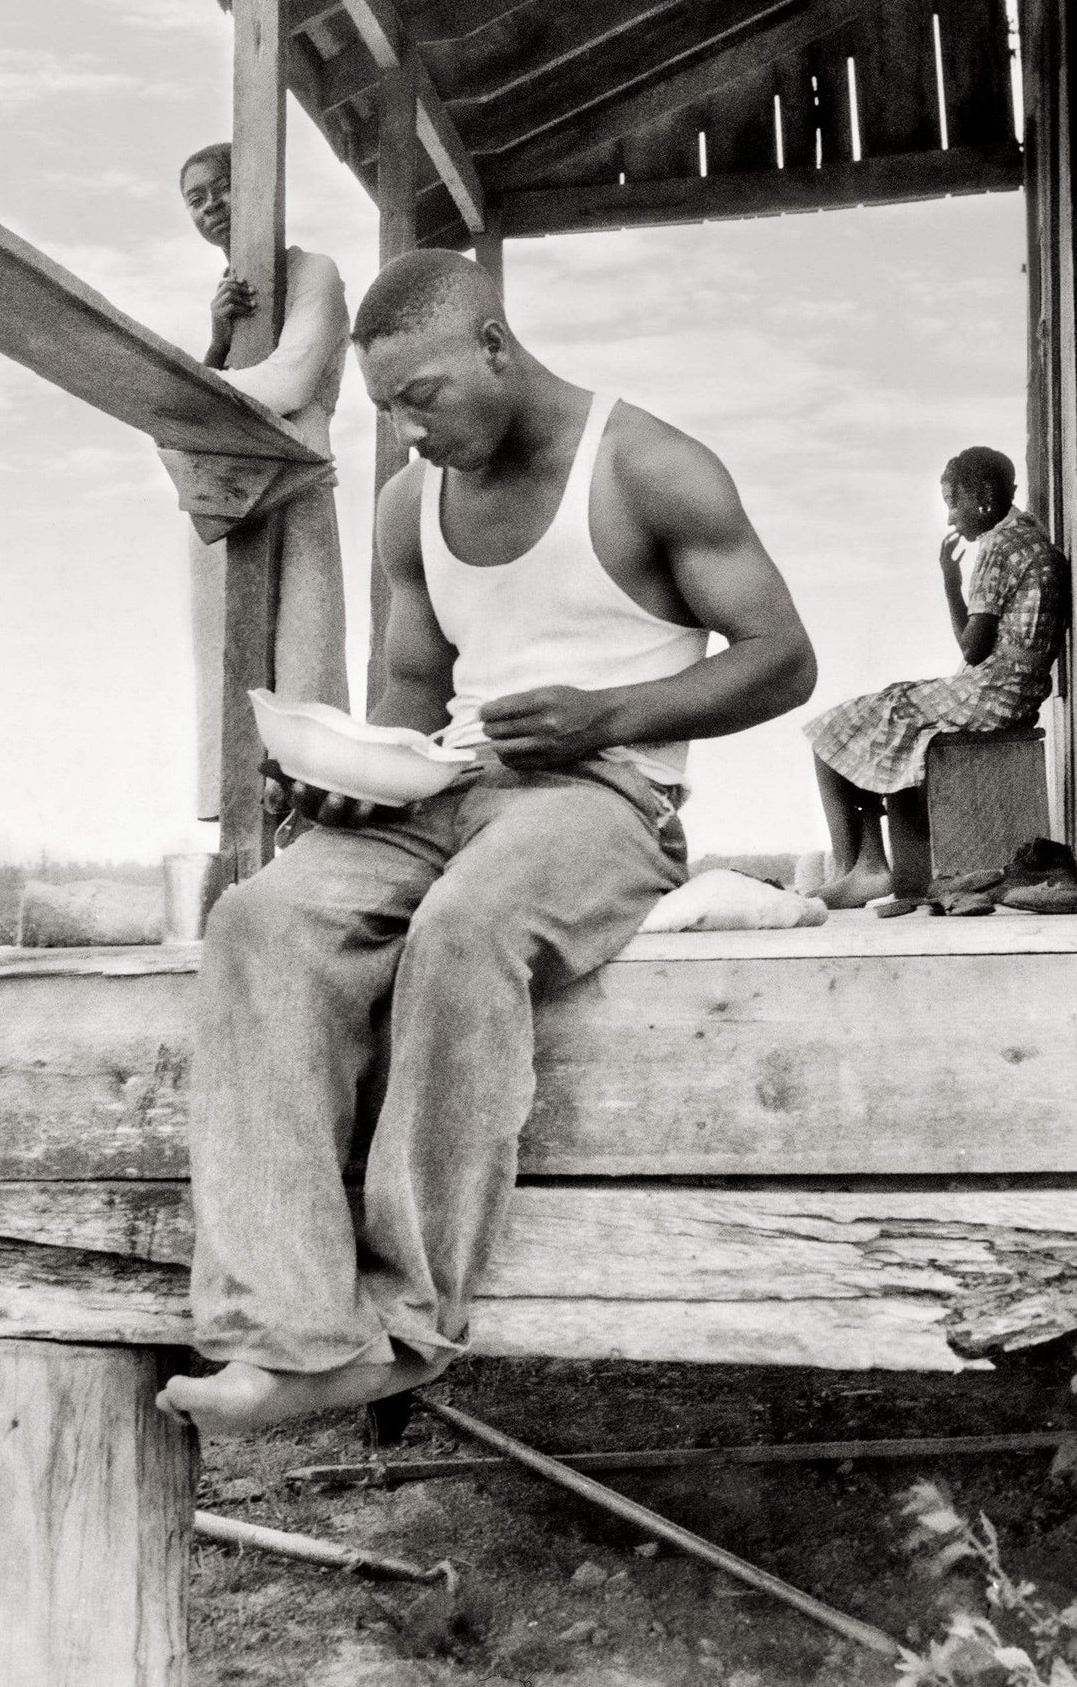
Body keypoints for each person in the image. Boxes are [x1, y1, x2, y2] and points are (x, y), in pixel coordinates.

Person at [158, 248, 816, 1436]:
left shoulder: (648, 467)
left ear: (495, 347)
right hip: (451, 788)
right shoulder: (414, 506)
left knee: (465, 928)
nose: (409, 433)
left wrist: (604, 715)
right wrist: (359, 782)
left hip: (605, 794)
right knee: (259, 918)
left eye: (424, 396)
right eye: (387, 411)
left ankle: (407, 1325)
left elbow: (783, 657)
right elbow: (411, 688)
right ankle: (294, 1333)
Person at [803, 445, 1067, 909]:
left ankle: (861, 868)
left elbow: (972, 647)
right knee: (888, 706)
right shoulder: (1030, 534)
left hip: (993, 692)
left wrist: (949, 583)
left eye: (952, 502)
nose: (950, 519)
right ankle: (866, 868)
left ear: (983, 496)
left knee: (836, 728)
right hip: (1016, 689)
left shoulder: (997, 547)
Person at [178, 143, 351, 818]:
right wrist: (215, 340)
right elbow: (218, 389)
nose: (211, 205)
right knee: (226, 670)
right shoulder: (228, 297)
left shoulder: (315, 275)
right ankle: (236, 842)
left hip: (298, 487)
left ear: (259, 191)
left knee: (305, 667)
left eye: (222, 188)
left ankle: (312, 828)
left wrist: (185, 402)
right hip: (223, 500)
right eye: (195, 198)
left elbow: (289, 382)